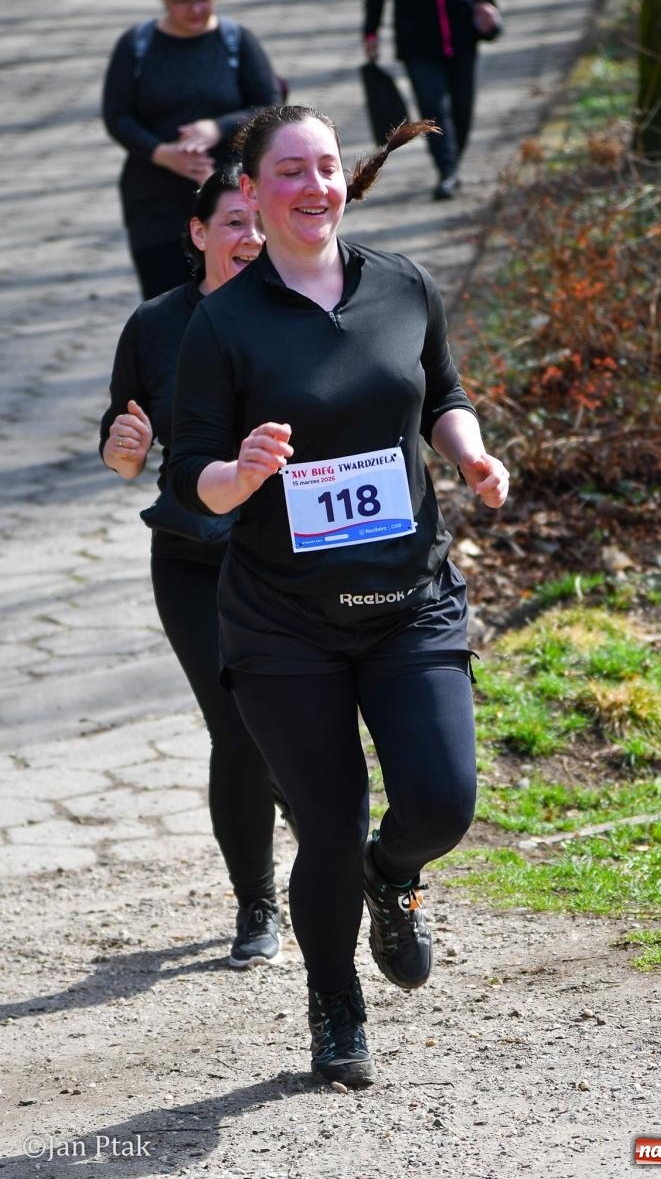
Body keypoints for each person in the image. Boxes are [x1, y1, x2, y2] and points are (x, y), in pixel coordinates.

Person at [168, 104, 509, 1088]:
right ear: (250, 192)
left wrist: (469, 452)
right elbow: (190, 468)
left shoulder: (400, 286)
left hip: (409, 600)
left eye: (324, 167)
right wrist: (239, 474)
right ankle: (334, 1003)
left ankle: (392, 873)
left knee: (442, 802)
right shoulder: (220, 324)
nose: (313, 187)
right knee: (324, 825)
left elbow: (439, 392)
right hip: (282, 621)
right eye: (289, 172)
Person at [99, 166, 289, 970]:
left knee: (299, 724)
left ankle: (356, 857)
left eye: (259, 223)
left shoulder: (300, 313)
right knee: (238, 726)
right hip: (190, 557)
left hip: (288, 557)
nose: (250, 238)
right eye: (234, 224)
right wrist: (124, 451)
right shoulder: (154, 326)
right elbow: (121, 441)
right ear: (198, 233)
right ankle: (257, 901)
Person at [102, 0, 284, 299]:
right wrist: (161, 152)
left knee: (238, 299)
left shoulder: (236, 41)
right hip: (155, 202)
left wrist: (218, 127)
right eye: (183, 1)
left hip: (229, 200)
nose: (196, 9)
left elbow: (269, 106)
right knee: (169, 303)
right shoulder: (137, 45)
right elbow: (117, 116)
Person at [363, 0, 502, 200]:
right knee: (432, 106)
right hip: (417, 42)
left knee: (462, 107)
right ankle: (446, 170)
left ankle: (452, 162)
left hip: (463, 35)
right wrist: (371, 31)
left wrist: (486, 1)